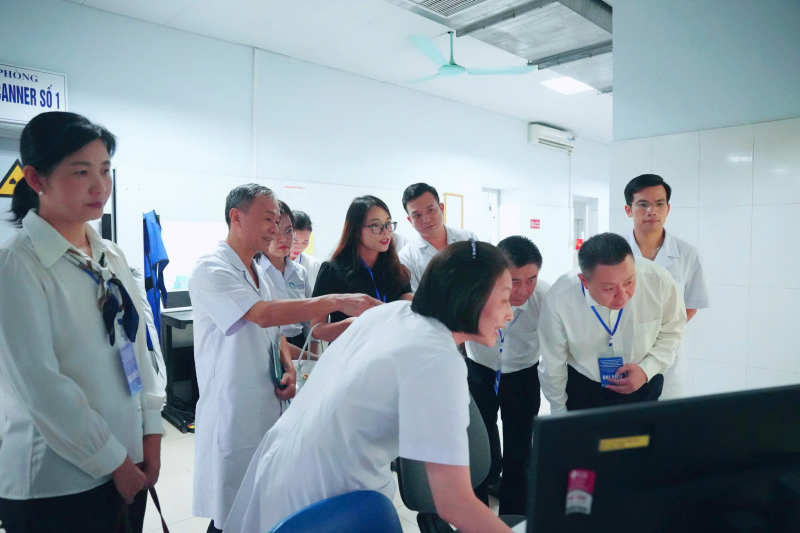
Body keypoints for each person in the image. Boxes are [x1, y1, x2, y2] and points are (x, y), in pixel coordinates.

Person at [225, 241, 518, 533]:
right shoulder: (437, 359)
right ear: (472, 297)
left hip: (284, 472)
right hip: (329, 503)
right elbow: (454, 503)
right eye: (505, 299)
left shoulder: (392, 314)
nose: (510, 313)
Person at [0, 112, 165, 533]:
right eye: (81, 172)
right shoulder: (17, 265)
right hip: (57, 485)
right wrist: (114, 461)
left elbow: (138, 347)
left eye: (105, 170)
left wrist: (151, 433)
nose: (100, 186)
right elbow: (43, 388)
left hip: (127, 465)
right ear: (36, 179)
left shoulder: (110, 254)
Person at [189, 184, 381, 532]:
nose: (276, 229)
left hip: (268, 403)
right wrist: (337, 300)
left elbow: (273, 333)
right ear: (236, 217)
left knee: (258, 508)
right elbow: (261, 315)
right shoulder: (211, 268)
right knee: (231, 513)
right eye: (268, 219)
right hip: (233, 413)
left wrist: (289, 365)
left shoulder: (258, 271)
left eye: (278, 220)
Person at [538, 233, 686, 414]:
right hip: (585, 388)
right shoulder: (560, 298)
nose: (622, 296)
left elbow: (673, 332)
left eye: (629, 282)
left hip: (644, 382)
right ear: (584, 281)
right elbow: (553, 364)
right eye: (609, 288)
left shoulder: (658, 280)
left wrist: (647, 369)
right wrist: (559, 411)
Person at [465, 236, 550, 515]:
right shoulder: (475, 293)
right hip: (479, 372)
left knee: (520, 451)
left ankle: (514, 516)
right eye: (515, 281)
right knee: (477, 446)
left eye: (531, 279)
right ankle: (476, 515)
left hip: (522, 376)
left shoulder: (546, 298)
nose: (523, 290)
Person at [623, 174, 710, 399]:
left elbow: (691, 304)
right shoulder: (614, 252)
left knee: (666, 412)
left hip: (667, 351)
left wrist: (658, 334)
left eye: (659, 204)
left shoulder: (687, 254)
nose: (652, 211)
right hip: (623, 347)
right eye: (643, 204)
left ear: (668, 209)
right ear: (628, 210)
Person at [311, 196, 413, 342]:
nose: (385, 231)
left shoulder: (397, 270)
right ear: (356, 230)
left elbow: (409, 313)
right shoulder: (332, 270)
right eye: (375, 225)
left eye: (388, 224)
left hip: (391, 351)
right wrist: (353, 326)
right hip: (350, 352)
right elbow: (316, 329)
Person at [398, 183, 478, 291]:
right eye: (417, 215)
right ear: (410, 220)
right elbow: (414, 298)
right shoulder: (406, 258)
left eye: (430, 210)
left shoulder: (468, 238)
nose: (426, 220)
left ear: (441, 208)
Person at [258, 201, 313, 349]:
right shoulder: (255, 272)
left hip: (300, 343)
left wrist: (313, 356)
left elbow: (309, 320)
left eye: (288, 231)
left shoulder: (300, 272)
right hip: (269, 347)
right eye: (275, 231)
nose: (283, 239)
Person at [289, 210, 321, 293]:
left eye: (305, 242)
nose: (299, 247)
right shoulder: (272, 263)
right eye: (295, 241)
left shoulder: (313, 264)